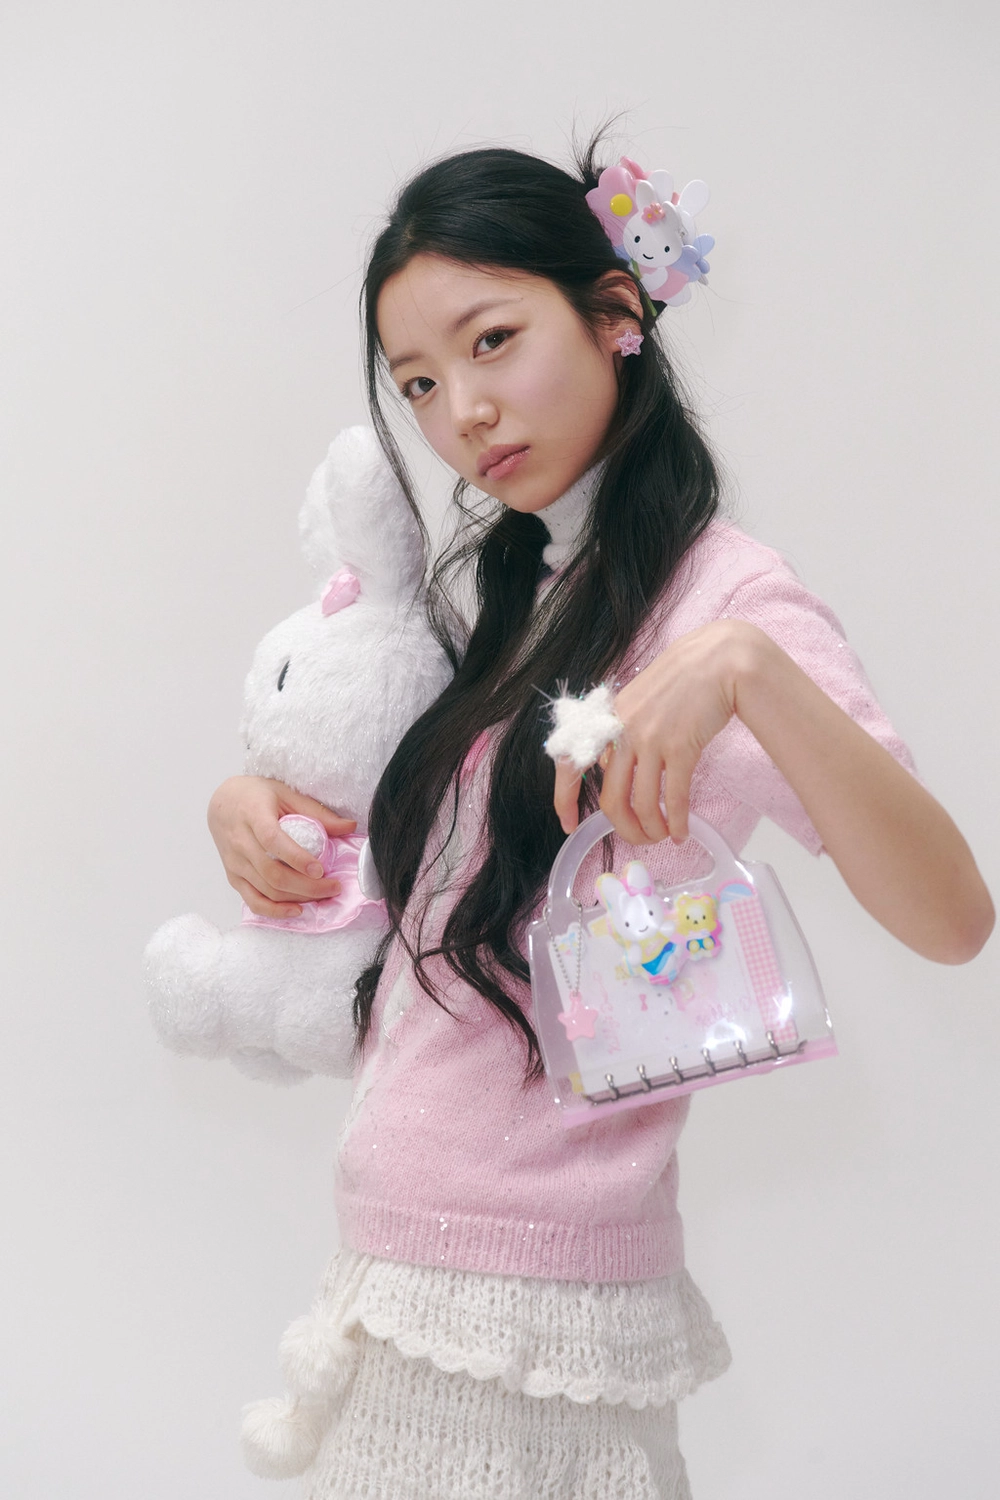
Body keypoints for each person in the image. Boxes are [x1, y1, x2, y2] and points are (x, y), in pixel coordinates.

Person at [207, 140, 993, 1498]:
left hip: (527, 1313)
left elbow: (953, 916)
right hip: (400, 1263)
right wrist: (253, 808)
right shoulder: (509, 590)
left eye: (492, 340)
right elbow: (445, 890)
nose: (462, 410)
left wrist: (749, 672)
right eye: (418, 382)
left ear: (617, 313)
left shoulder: (729, 602)